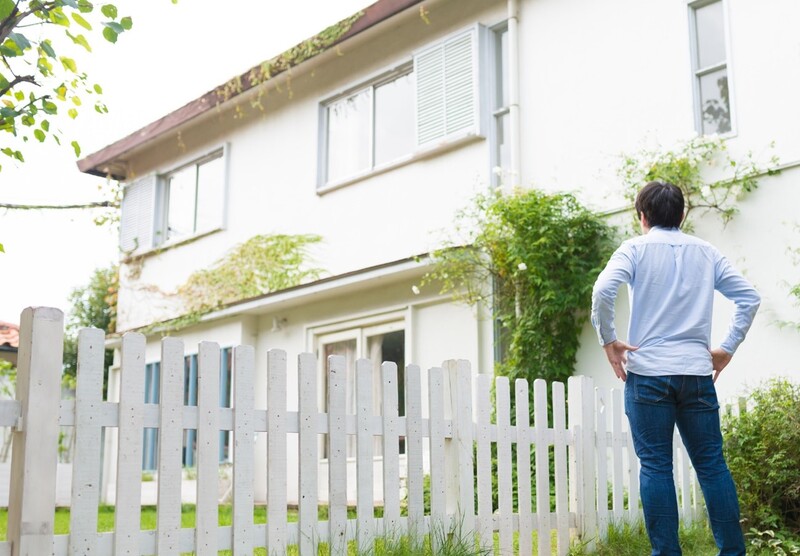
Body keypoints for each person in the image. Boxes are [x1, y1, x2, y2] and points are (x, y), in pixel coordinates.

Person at [591, 181, 760, 556]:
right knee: (712, 465)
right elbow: (749, 298)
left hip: (648, 374)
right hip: (697, 374)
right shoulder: (707, 252)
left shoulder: (633, 249)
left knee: (655, 466)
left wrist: (609, 341)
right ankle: (733, 552)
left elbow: (603, 291)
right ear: (682, 215)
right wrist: (726, 349)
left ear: (642, 216)